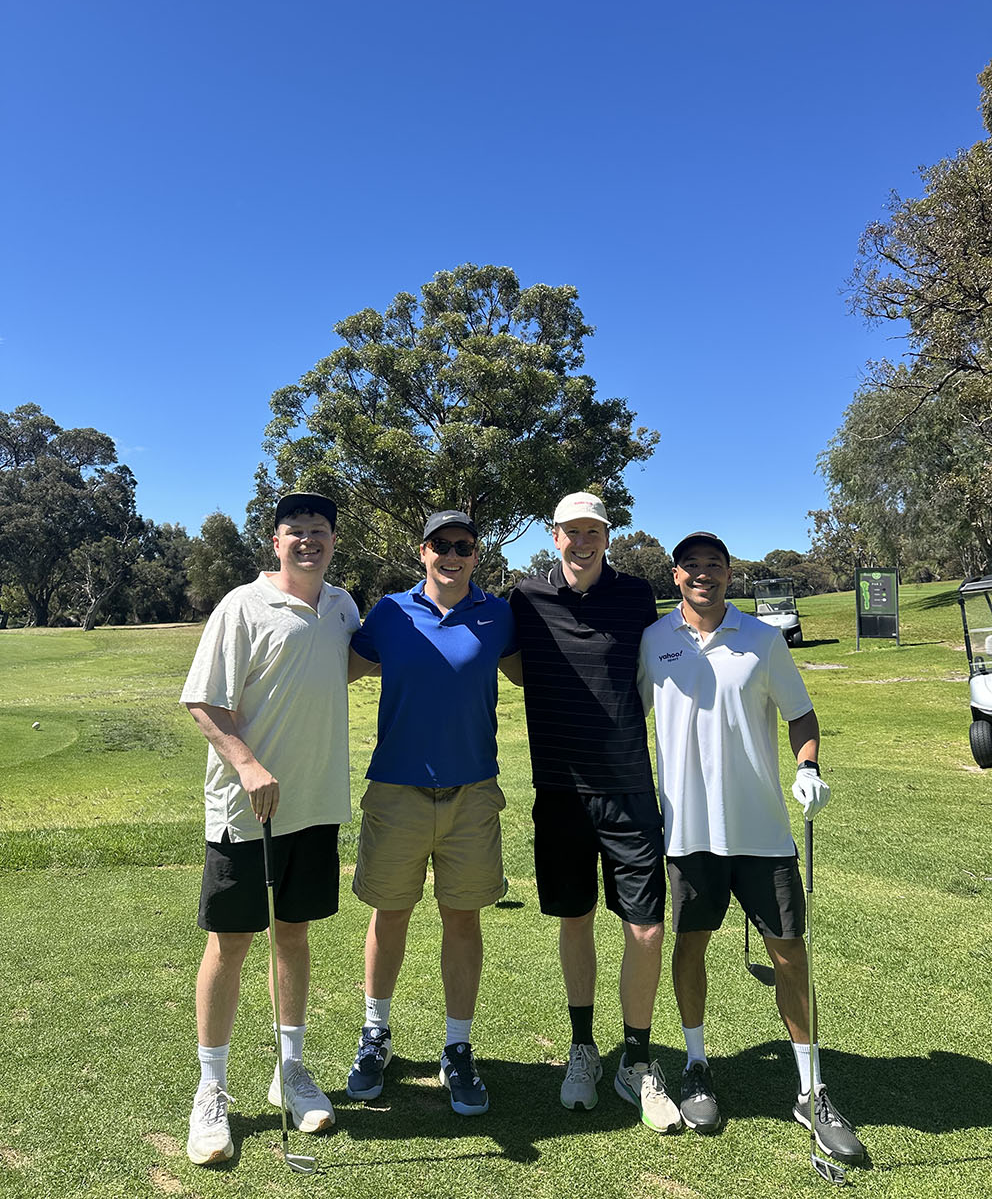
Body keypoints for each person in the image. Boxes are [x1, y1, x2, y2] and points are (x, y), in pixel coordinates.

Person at [638, 531, 865, 1162]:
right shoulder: (654, 640)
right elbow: (627, 713)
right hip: (687, 831)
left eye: (715, 565)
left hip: (763, 830)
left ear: (729, 574)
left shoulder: (763, 639)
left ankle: (809, 1089)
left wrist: (809, 767)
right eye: (692, 566)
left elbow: (801, 714)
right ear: (676, 575)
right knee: (689, 947)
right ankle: (695, 1065)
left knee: (790, 954)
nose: (703, 574)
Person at [180, 493, 359, 1166]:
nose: (307, 540)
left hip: (313, 806)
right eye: (295, 531)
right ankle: (212, 1089)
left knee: (294, 933)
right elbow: (203, 700)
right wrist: (249, 765)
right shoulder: (241, 606)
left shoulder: (342, 607)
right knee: (230, 944)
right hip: (245, 809)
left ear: (333, 542)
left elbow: (356, 660)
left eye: (319, 531)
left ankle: (291, 1068)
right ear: (275, 542)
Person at [503, 492, 682, 1134]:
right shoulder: (524, 599)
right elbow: (507, 662)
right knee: (574, 919)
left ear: (608, 536)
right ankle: (583, 1050)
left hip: (629, 787)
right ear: (554, 536)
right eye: (572, 531)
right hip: (559, 792)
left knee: (646, 926)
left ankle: (637, 1060)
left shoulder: (637, 597)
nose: (583, 542)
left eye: (594, 532)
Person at [346, 510, 517, 1116]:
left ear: (477, 553)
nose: (452, 554)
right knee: (390, 915)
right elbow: (333, 669)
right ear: (422, 552)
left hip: (472, 794)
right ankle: (376, 1035)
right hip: (397, 791)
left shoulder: (499, 615)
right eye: (441, 545)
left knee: (462, 919)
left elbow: (538, 673)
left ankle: (458, 1047)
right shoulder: (389, 613)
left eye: (463, 546)